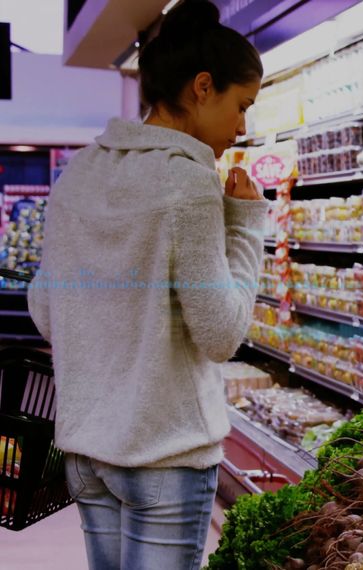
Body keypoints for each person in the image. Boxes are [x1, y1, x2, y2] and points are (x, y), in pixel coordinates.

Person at [27, 1, 266, 568]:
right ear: (203, 87)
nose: (242, 128)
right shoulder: (187, 180)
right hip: (166, 451)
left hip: (87, 452)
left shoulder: (80, 170)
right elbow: (221, 335)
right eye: (241, 105)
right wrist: (245, 224)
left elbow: (45, 308)